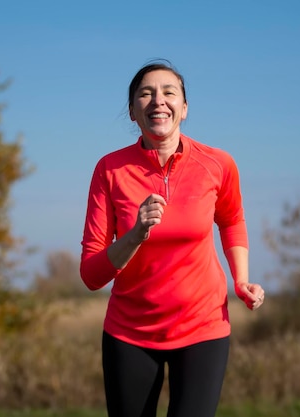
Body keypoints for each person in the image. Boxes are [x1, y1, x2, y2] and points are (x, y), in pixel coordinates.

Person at [79, 60, 265, 417]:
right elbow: (91, 275)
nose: (157, 101)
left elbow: (231, 221)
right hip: (130, 332)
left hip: (203, 325)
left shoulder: (218, 164)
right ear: (133, 111)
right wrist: (134, 235)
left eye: (169, 92)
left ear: (184, 108)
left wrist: (240, 280)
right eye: (145, 94)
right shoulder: (109, 170)